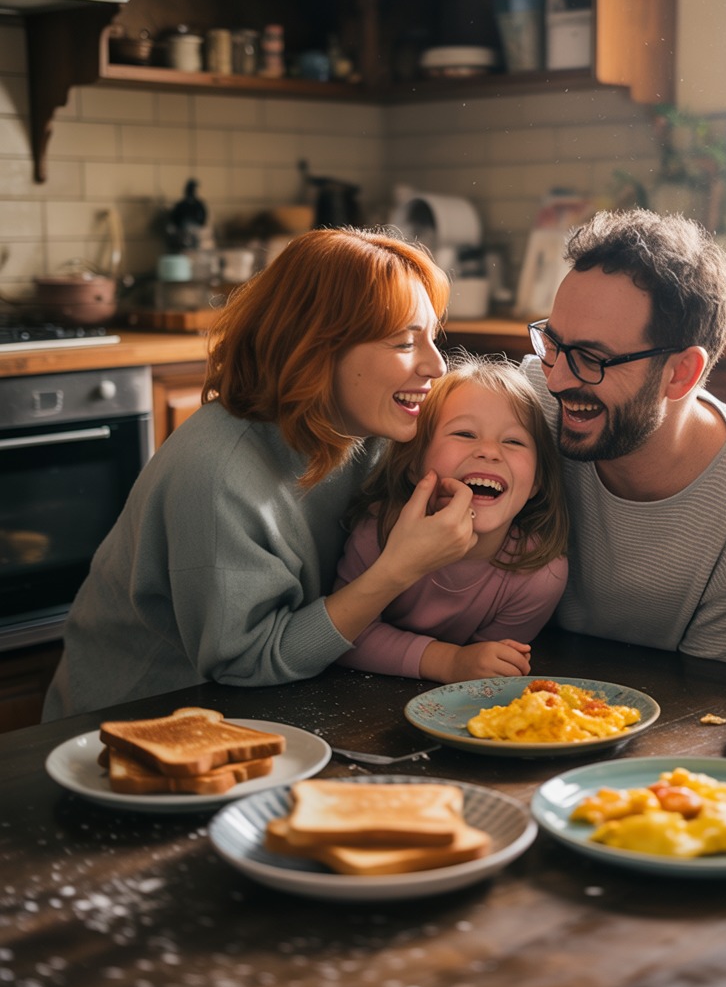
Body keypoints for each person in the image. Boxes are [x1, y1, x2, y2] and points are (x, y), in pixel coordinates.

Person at [43, 227, 479, 720]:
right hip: (132, 722)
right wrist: (398, 569)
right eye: (404, 342)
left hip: (274, 702)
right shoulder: (217, 474)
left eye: (431, 337)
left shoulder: (371, 428)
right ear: (315, 348)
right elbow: (245, 661)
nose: (436, 365)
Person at [521, 208, 726, 668]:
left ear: (681, 374)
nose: (556, 379)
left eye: (592, 358)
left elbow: (707, 711)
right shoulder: (526, 403)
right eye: (553, 345)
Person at [334, 353, 569, 683]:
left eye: (513, 441)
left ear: (537, 482)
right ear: (415, 463)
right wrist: (449, 662)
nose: (489, 451)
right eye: (464, 434)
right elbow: (341, 639)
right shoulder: (379, 531)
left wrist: (471, 665)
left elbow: (488, 670)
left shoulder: (538, 574)